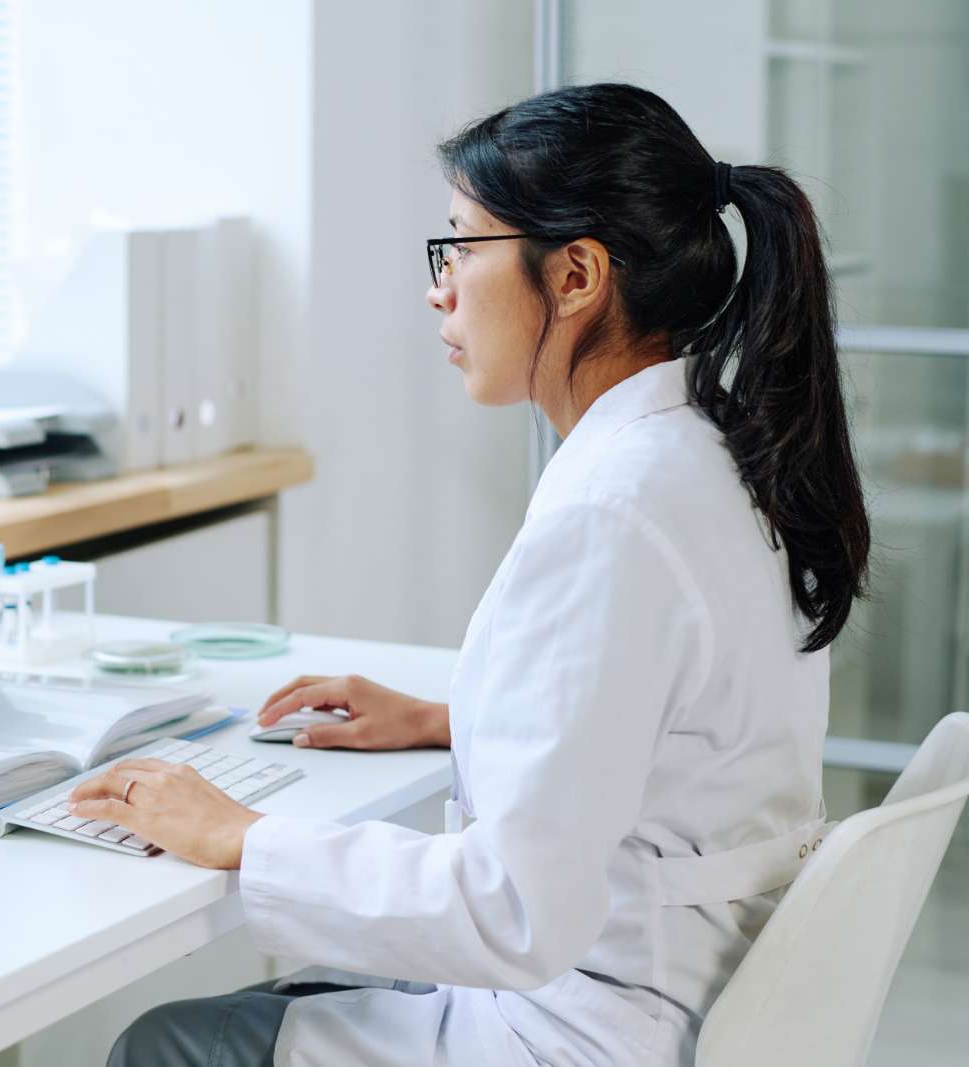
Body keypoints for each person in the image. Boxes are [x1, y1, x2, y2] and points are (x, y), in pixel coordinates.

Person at [70, 82, 871, 1066]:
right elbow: (690, 722)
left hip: (590, 1028)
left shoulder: (610, 513)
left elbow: (511, 912)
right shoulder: (712, 451)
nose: (437, 287)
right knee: (284, 996)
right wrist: (462, 716)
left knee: (169, 1042)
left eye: (460, 244)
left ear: (575, 274)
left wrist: (242, 833)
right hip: (691, 990)